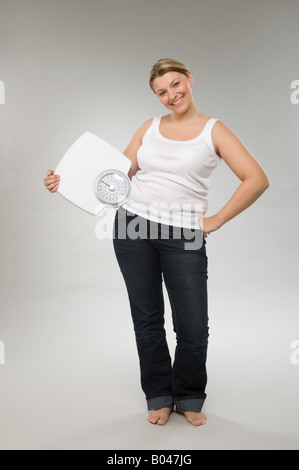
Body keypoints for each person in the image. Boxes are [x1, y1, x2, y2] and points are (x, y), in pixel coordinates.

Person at [44, 58, 269, 427]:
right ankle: (160, 395)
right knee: (147, 320)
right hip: (132, 227)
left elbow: (256, 178)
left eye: (176, 84)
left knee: (193, 326)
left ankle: (190, 394)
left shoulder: (214, 130)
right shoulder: (149, 128)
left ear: (190, 79)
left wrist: (214, 220)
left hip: (184, 235)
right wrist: (63, 182)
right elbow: (115, 177)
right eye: (162, 92)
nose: (171, 95)